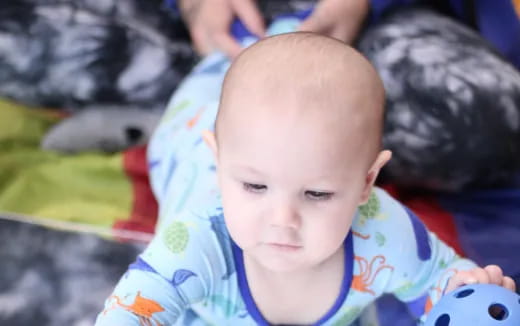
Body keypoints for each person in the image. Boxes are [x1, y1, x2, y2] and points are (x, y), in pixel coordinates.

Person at [95, 32, 515, 325]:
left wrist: (468, 290)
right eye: (255, 186)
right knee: (186, 120)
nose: (283, 218)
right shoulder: (199, 240)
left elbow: (437, 280)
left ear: (367, 181)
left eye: (317, 193)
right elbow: (134, 307)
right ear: (222, 164)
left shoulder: (384, 233)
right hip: (186, 149)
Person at [175, 0, 520, 191]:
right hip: (214, 26)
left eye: (317, 194)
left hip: (382, 19)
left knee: (484, 120)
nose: (283, 224)